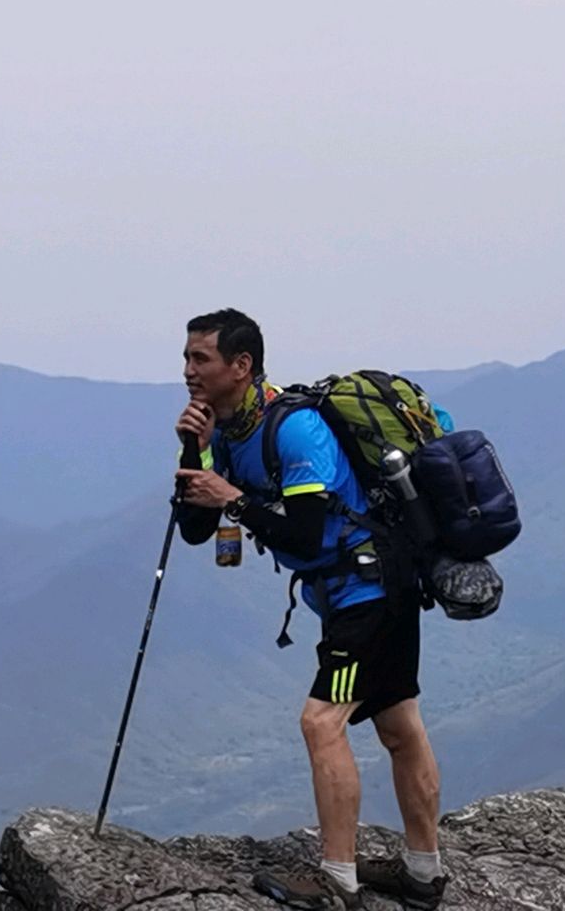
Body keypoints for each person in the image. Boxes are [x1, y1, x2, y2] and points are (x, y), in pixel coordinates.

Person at [174, 308, 449, 910]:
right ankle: (423, 874)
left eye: (202, 358)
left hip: (370, 592)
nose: (188, 369)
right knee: (398, 725)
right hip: (356, 593)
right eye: (187, 356)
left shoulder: (296, 430)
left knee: (321, 723)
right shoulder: (224, 431)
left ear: (240, 366)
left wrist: (234, 500)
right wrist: (193, 453)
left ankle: (337, 883)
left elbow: (304, 533)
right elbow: (195, 529)